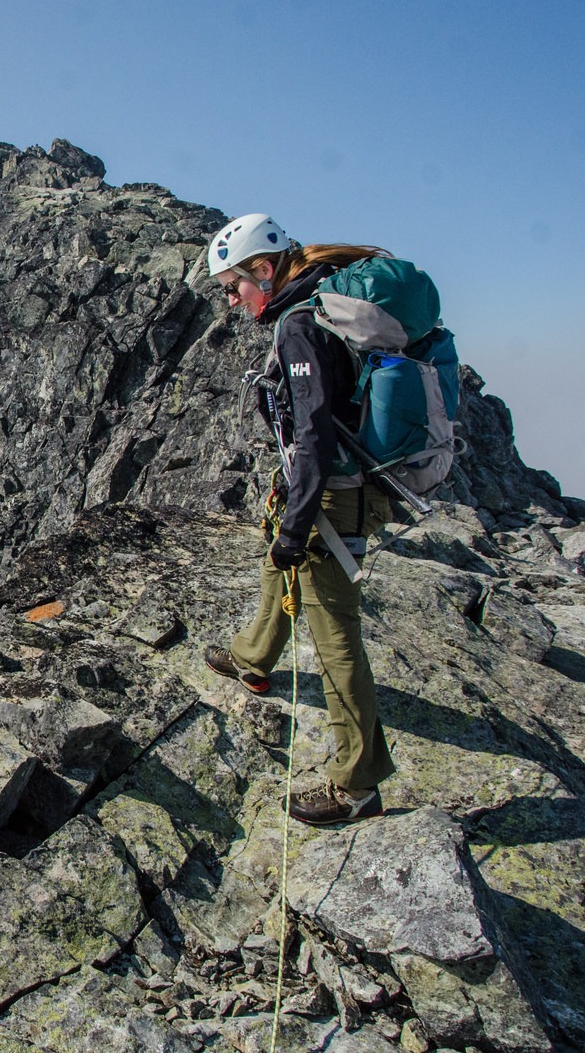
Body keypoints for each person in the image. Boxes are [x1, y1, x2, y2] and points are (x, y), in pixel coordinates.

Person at [201, 213, 396, 826]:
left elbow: (311, 432)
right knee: (275, 569)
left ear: (264, 269)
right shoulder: (314, 305)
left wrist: (298, 522)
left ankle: (356, 784)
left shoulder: (299, 327)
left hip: (333, 496)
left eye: (234, 286)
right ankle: (254, 657)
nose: (233, 300)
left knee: (336, 640)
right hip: (333, 486)